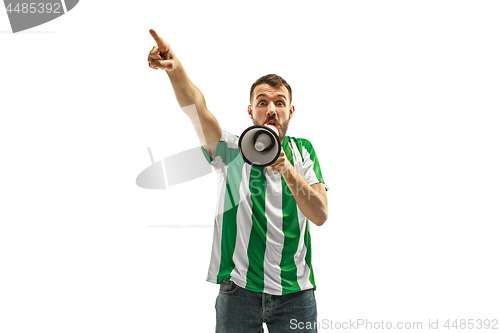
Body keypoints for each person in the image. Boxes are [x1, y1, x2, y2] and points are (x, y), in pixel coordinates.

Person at [148, 29, 328, 333]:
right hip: (239, 292)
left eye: (279, 102)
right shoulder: (230, 150)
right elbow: (197, 109)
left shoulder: (303, 151)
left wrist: (286, 169)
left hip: (296, 294)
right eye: (262, 102)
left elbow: (320, 214)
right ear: (251, 111)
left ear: (290, 111)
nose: (271, 109)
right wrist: (175, 70)